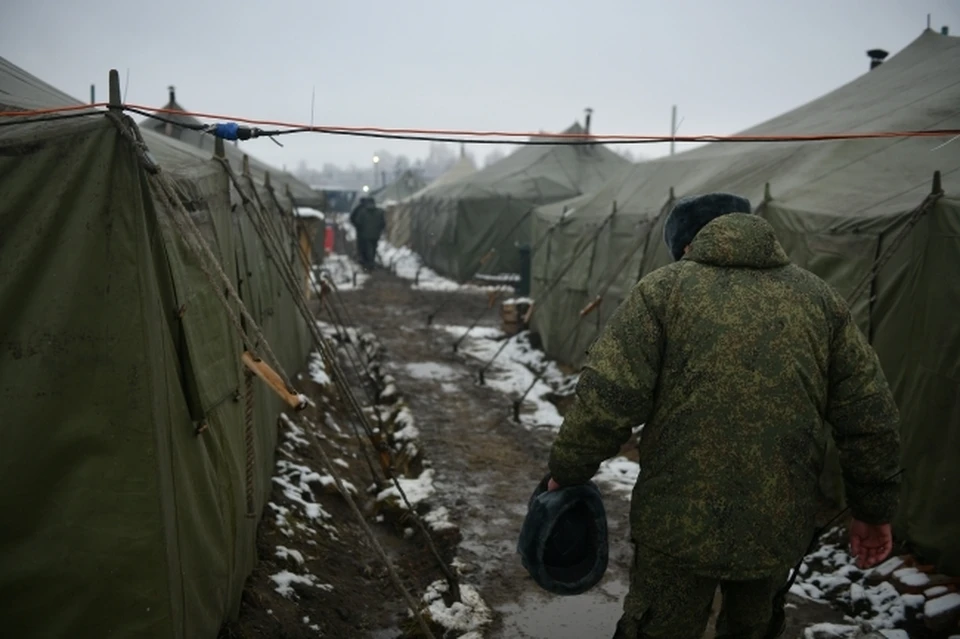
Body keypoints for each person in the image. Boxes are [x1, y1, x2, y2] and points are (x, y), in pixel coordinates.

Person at [545, 193, 902, 639]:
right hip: (774, 526)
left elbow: (608, 398)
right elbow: (869, 417)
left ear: (687, 246)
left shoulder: (662, 291)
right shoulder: (820, 300)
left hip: (676, 527)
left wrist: (568, 470)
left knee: (659, 628)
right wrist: (873, 509)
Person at [349, 196, 385, 271]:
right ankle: (371, 262)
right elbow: (383, 223)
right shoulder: (380, 211)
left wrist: (359, 229)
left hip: (364, 234)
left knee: (366, 249)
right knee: (373, 248)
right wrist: (378, 230)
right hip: (375, 234)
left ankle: (368, 263)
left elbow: (357, 221)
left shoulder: (362, 211)